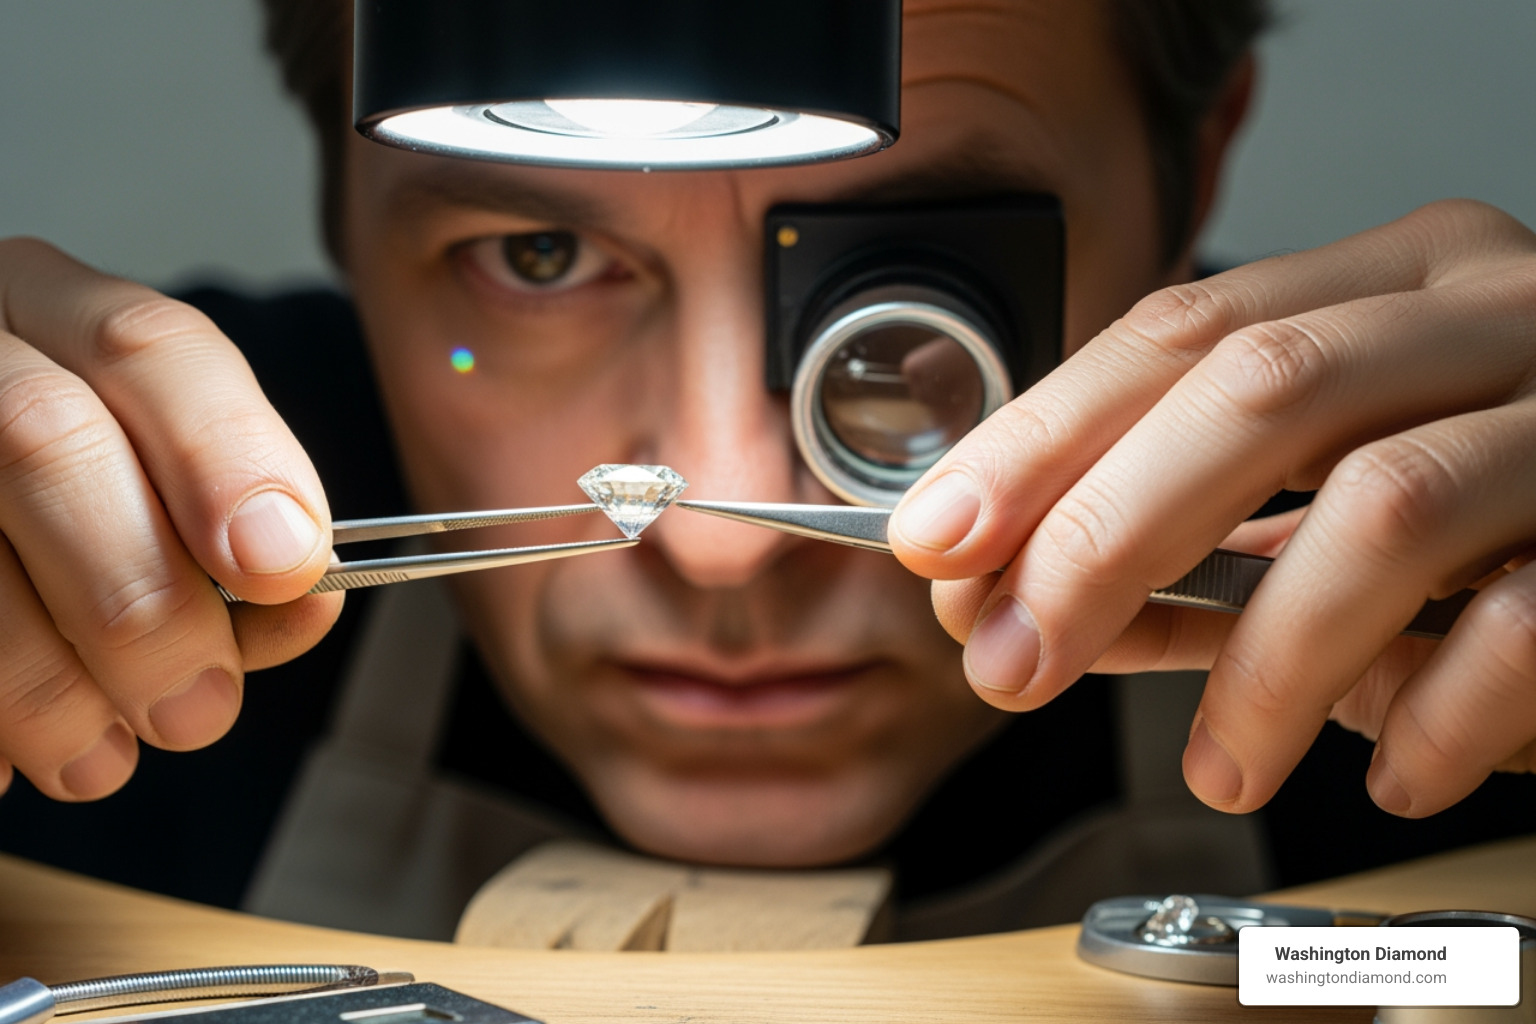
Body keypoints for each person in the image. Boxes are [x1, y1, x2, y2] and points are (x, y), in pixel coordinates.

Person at [0, 0, 1532, 940]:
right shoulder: (103, 533)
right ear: (337, 208)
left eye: (909, 289)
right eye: (537, 257)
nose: (720, 535)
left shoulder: (1419, 548)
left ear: (1193, 178)